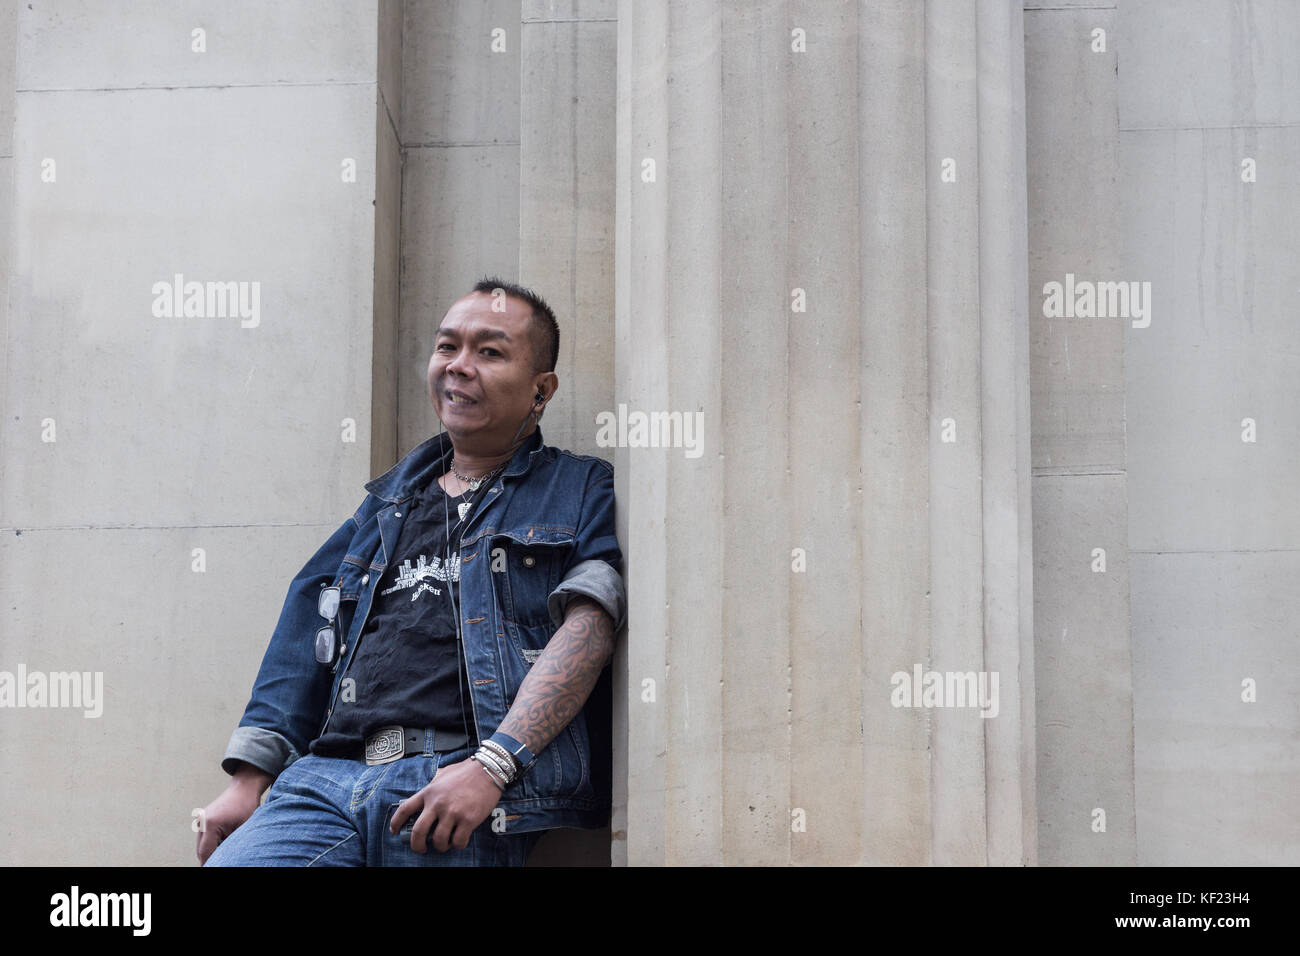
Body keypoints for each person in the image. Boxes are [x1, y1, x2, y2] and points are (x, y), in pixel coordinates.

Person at [197, 277, 626, 866]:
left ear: (540, 389)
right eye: (447, 346)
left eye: (490, 351)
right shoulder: (384, 506)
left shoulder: (576, 488)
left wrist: (494, 766)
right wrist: (247, 780)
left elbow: (590, 626)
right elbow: (303, 633)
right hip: (325, 780)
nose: (459, 366)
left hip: (456, 782)